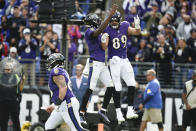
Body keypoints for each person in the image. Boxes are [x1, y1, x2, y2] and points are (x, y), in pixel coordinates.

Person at [79, 4, 118, 124]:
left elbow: (103, 46)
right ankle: (81, 113)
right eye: (97, 20)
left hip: (102, 64)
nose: (98, 21)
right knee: (90, 88)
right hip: (94, 63)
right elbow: (99, 31)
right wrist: (109, 16)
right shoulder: (89, 31)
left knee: (111, 87)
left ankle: (103, 110)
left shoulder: (98, 32)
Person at [101, 11, 141, 120]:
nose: (113, 22)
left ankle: (129, 110)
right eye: (112, 20)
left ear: (119, 20)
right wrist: (103, 40)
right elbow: (104, 47)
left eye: (115, 20)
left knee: (132, 83)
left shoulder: (125, 25)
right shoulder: (107, 29)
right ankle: (118, 113)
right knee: (117, 86)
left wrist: (137, 25)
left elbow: (137, 32)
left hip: (124, 59)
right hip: (114, 60)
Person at [44, 53, 87, 131]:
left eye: (51, 62)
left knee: (77, 129)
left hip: (67, 103)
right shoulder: (61, 71)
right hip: (63, 104)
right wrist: (54, 105)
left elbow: (63, 88)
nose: (49, 64)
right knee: (49, 126)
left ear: (56, 62)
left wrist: (58, 102)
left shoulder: (56, 71)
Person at [0, 57, 25, 131]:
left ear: (11, 69)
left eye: (9, 68)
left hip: (13, 101)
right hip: (2, 101)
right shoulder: (1, 76)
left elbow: (19, 88)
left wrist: (23, 80)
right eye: (6, 68)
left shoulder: (16, 76)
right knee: (3, 121)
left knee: (16, 121)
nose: (7, 69)